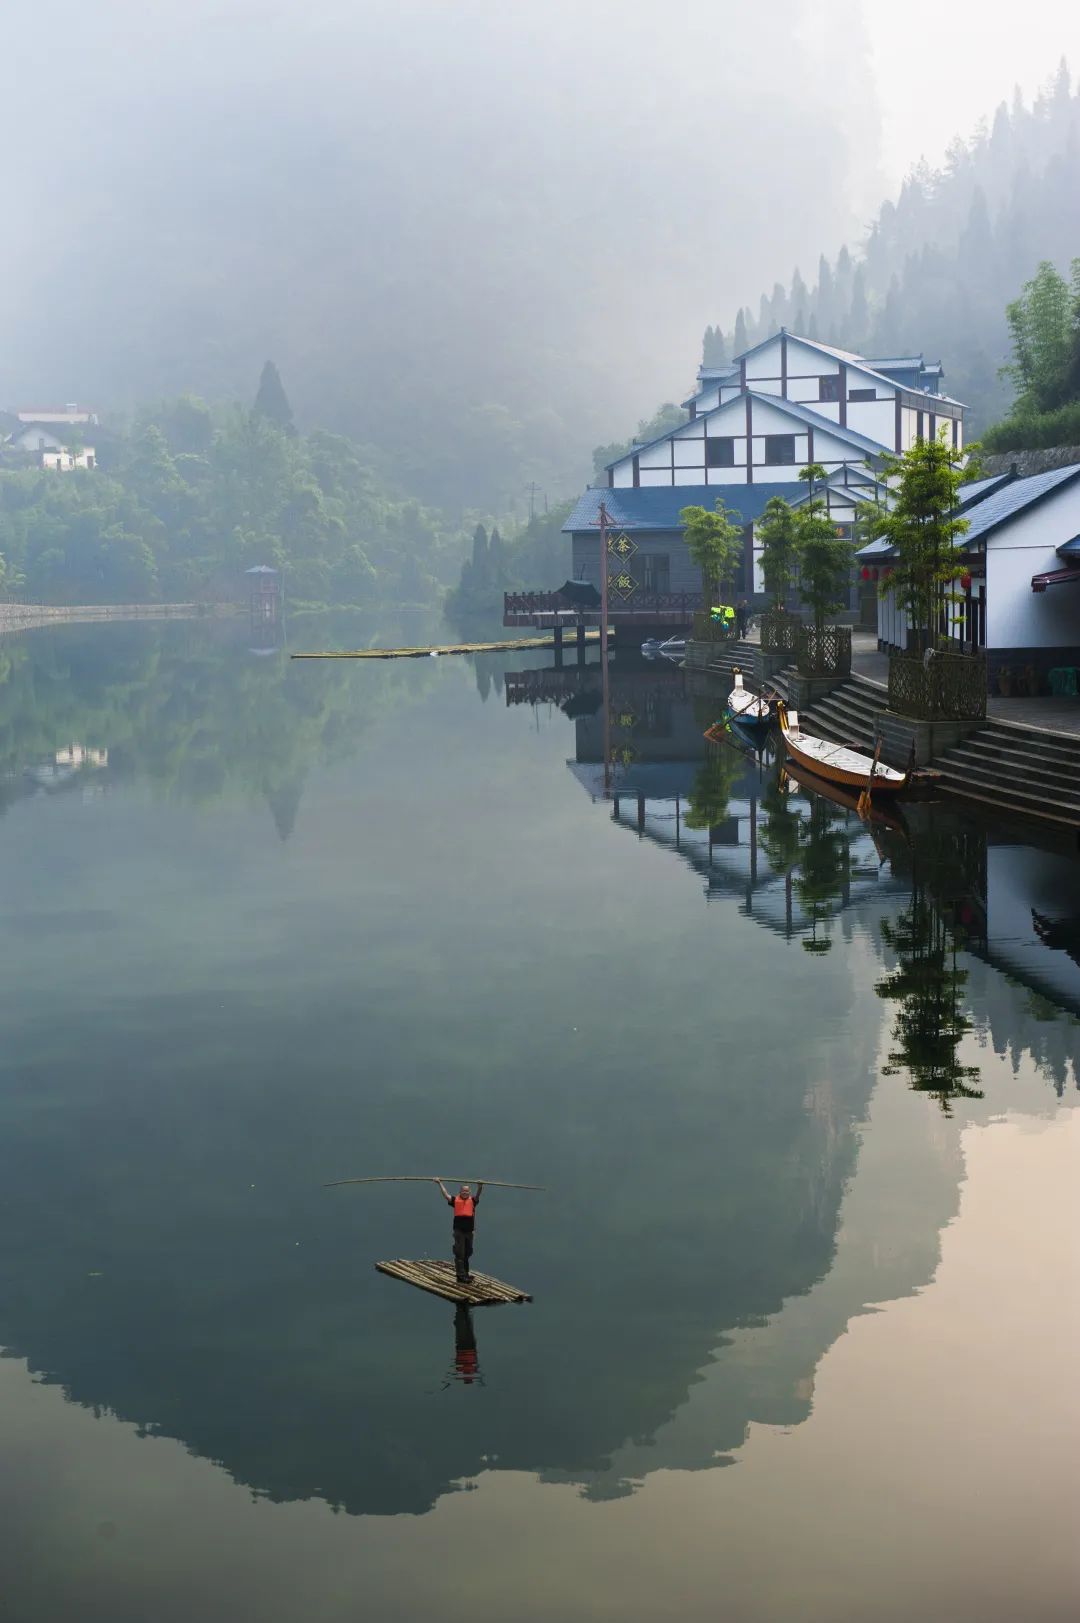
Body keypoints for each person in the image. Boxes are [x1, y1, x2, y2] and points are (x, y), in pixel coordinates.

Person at [436, 1179, 484, 1282]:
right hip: (459, 1232)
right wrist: (440, 1183)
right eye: (463, 1191)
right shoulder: (455, 1200)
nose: (465, 1193)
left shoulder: (473, 1201)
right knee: (460, 1253)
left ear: (469, 1192)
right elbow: (446, 1195)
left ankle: (466, 1273)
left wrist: (480, 1186)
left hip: (469, 1232)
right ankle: (460, 1275)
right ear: (460, 1192)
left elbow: (478, 1195)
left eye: (467, 1191)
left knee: (468, 1252)